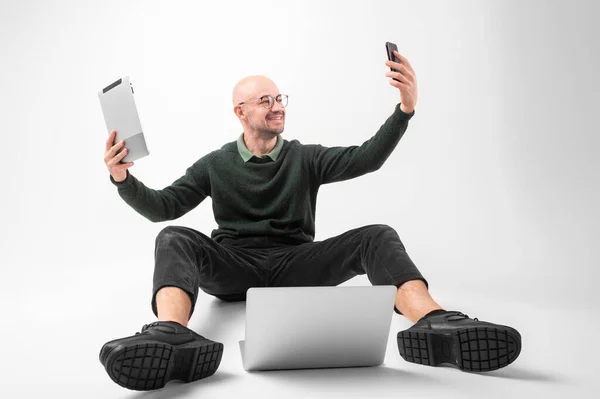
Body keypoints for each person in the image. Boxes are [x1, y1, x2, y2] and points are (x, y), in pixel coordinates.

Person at [99, 51, 521, 391]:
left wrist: (404, 111)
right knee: (174, 235)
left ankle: (435, 323)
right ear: (240, 112)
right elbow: (162, 208)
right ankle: (171, 335)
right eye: (265, 101)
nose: (276, 106)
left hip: (296, 265)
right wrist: (122, 177)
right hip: (234, 267)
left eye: (280, 98)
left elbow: (367, 157)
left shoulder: (305, 156)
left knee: (377, 236)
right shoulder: (215, 164)